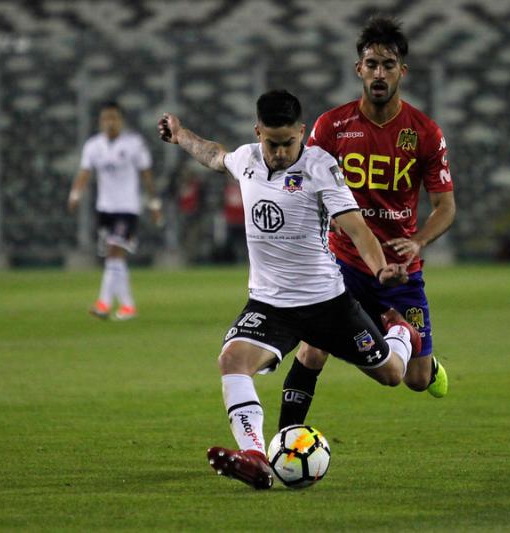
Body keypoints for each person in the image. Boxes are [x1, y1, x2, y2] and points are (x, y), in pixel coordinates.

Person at [158, 89, 423, 490]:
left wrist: (380, 269)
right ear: (258, 133)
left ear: (302, 132)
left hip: (327, 304)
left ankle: (401, 332)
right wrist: (181, 135)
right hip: (270, 305)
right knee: (232, 361)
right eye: (272, 143)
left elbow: (356, 227)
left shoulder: (321, 167)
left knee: (391, 374)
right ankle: (254, 457)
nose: (281, 153)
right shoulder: (246, 159)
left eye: (288, 143)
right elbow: (213, 155)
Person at [278, 16, 457, 430]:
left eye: (388, 65)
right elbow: (301, 184)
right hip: (343, 263)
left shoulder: (425, 133)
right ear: (359, 69)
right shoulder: (332, 126)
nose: (379, 73)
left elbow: (445, 206)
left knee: (414, 379)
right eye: (372, 64)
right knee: (313, 348)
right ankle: (284, 442)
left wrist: (418, 241)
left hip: (400, 270)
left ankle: (416, 357)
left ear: (402, 71)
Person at [68, 101, 162, 320]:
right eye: (106, 118)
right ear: (100, 122)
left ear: (121, 120)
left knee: (114, 252)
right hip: (104, 209)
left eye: (114, 118)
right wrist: (75, 194)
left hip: (127, 208)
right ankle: (128, 306)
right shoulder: (93, 146)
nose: (110, 122)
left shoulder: (134, 144)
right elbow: (84, 172)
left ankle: (103, 304)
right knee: (114, 259)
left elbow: (146, 175)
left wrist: (154, 203)